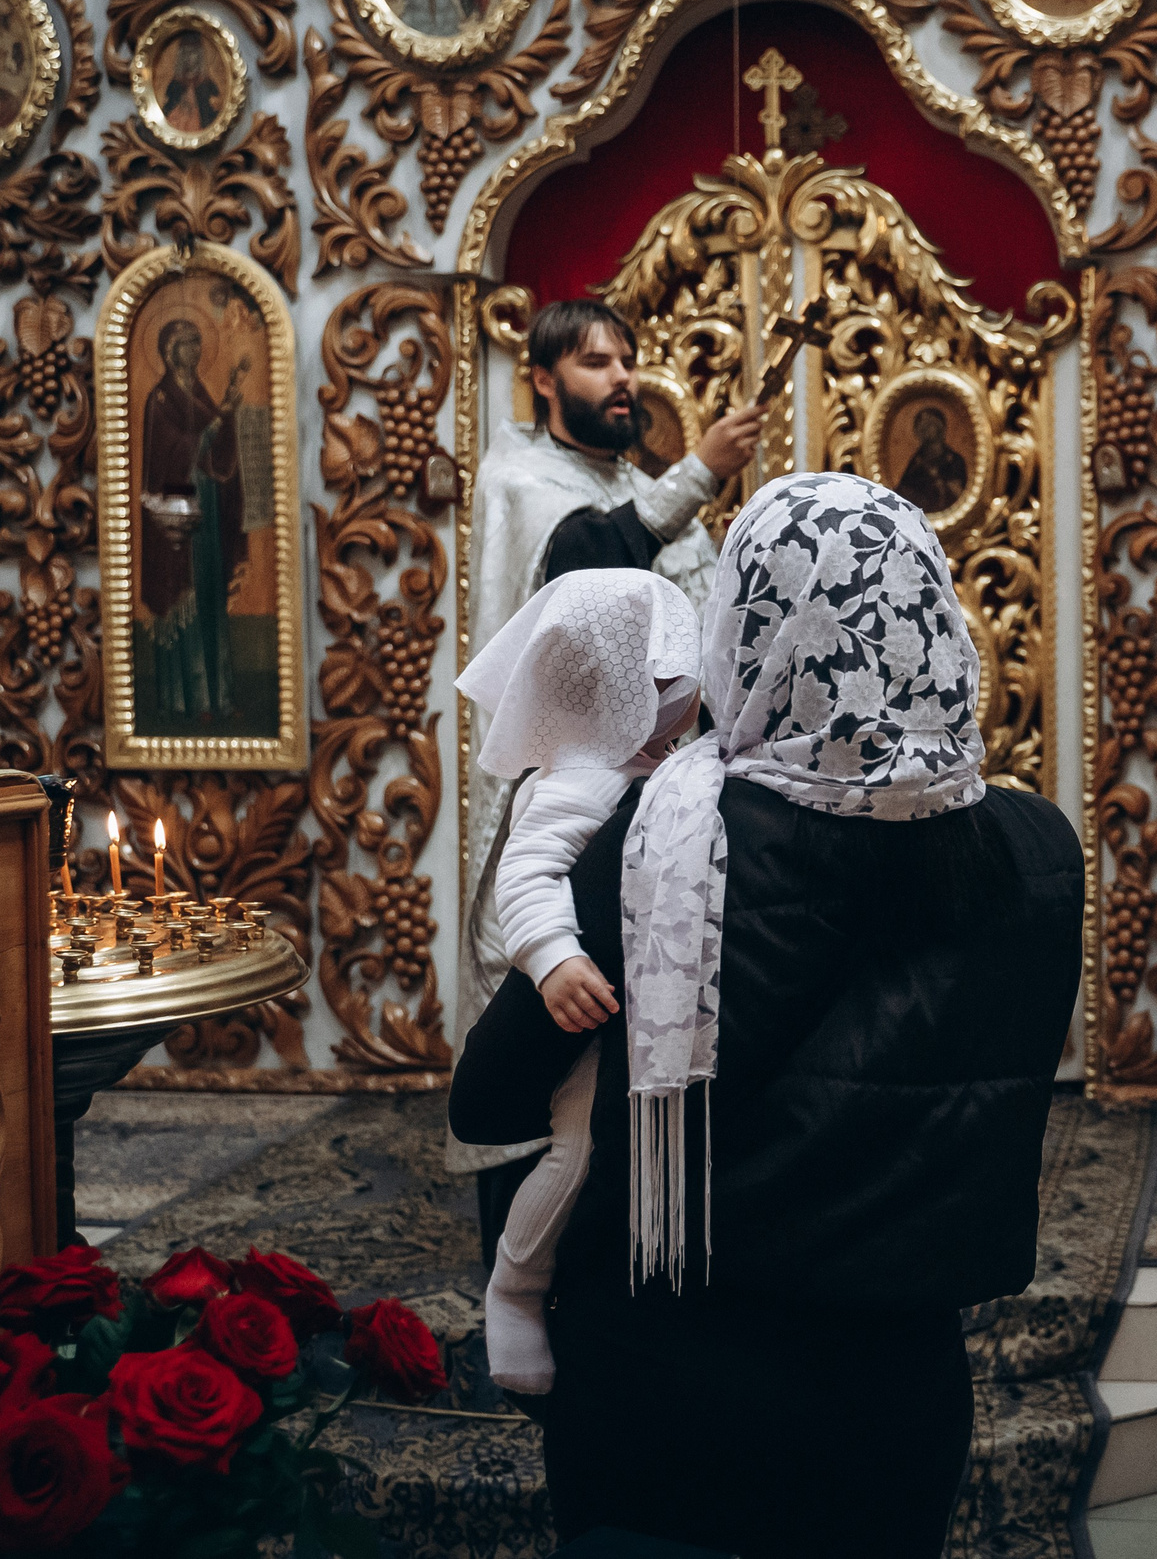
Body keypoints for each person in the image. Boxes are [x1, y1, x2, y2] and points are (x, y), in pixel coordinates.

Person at [449, 473, 1083, 1556]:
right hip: (897, 1389)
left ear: (750, 627)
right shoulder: (1037, 848)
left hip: (665, 1387)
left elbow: (492, 1092)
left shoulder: (665, 837)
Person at [451, 569, 702, 1396]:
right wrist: (554, 955)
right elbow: (526, 872)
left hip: (646, 1005)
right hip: (589, 1009)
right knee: (579, 1152)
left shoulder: (647, 767)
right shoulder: (584, 779)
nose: (686, 699)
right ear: (618, 694)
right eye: (667, 684)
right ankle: (515, 1286)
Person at [139, 316, 247, 723]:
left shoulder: (197, 392)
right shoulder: (161, 399)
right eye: (187, 344)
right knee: (187, 599)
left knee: (211, 596)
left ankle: (219, 697)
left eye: (199, 343)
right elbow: (163, 455)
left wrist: (227, 417)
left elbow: (216, 447)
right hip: (176, 515)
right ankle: (187, 699)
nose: (196, 351)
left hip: (208, 509)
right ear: (170, 351)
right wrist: (213, 426)